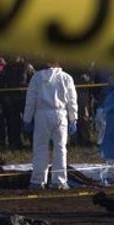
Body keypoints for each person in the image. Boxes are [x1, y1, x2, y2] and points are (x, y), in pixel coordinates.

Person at [22, 60, 78, 190]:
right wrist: (73, 118)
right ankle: (59, 181)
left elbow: (30, 100)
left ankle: (38, 181)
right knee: (60, 149)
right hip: (60, 114)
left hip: (42, 115)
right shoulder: (66, 78)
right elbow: (72, 101)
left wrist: (27, 119)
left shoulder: (37, 77)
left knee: (40, 148)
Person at [0, 55, 34, 149]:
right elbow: (1, 85)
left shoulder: (28, 67)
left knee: (30, 121)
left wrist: (25, 87)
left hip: (25, 100)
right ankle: (15, 143)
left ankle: (33, 142)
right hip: (11, 100)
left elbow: (34, 83)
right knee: (13, 123)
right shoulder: (6, 68)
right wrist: (5, 98)